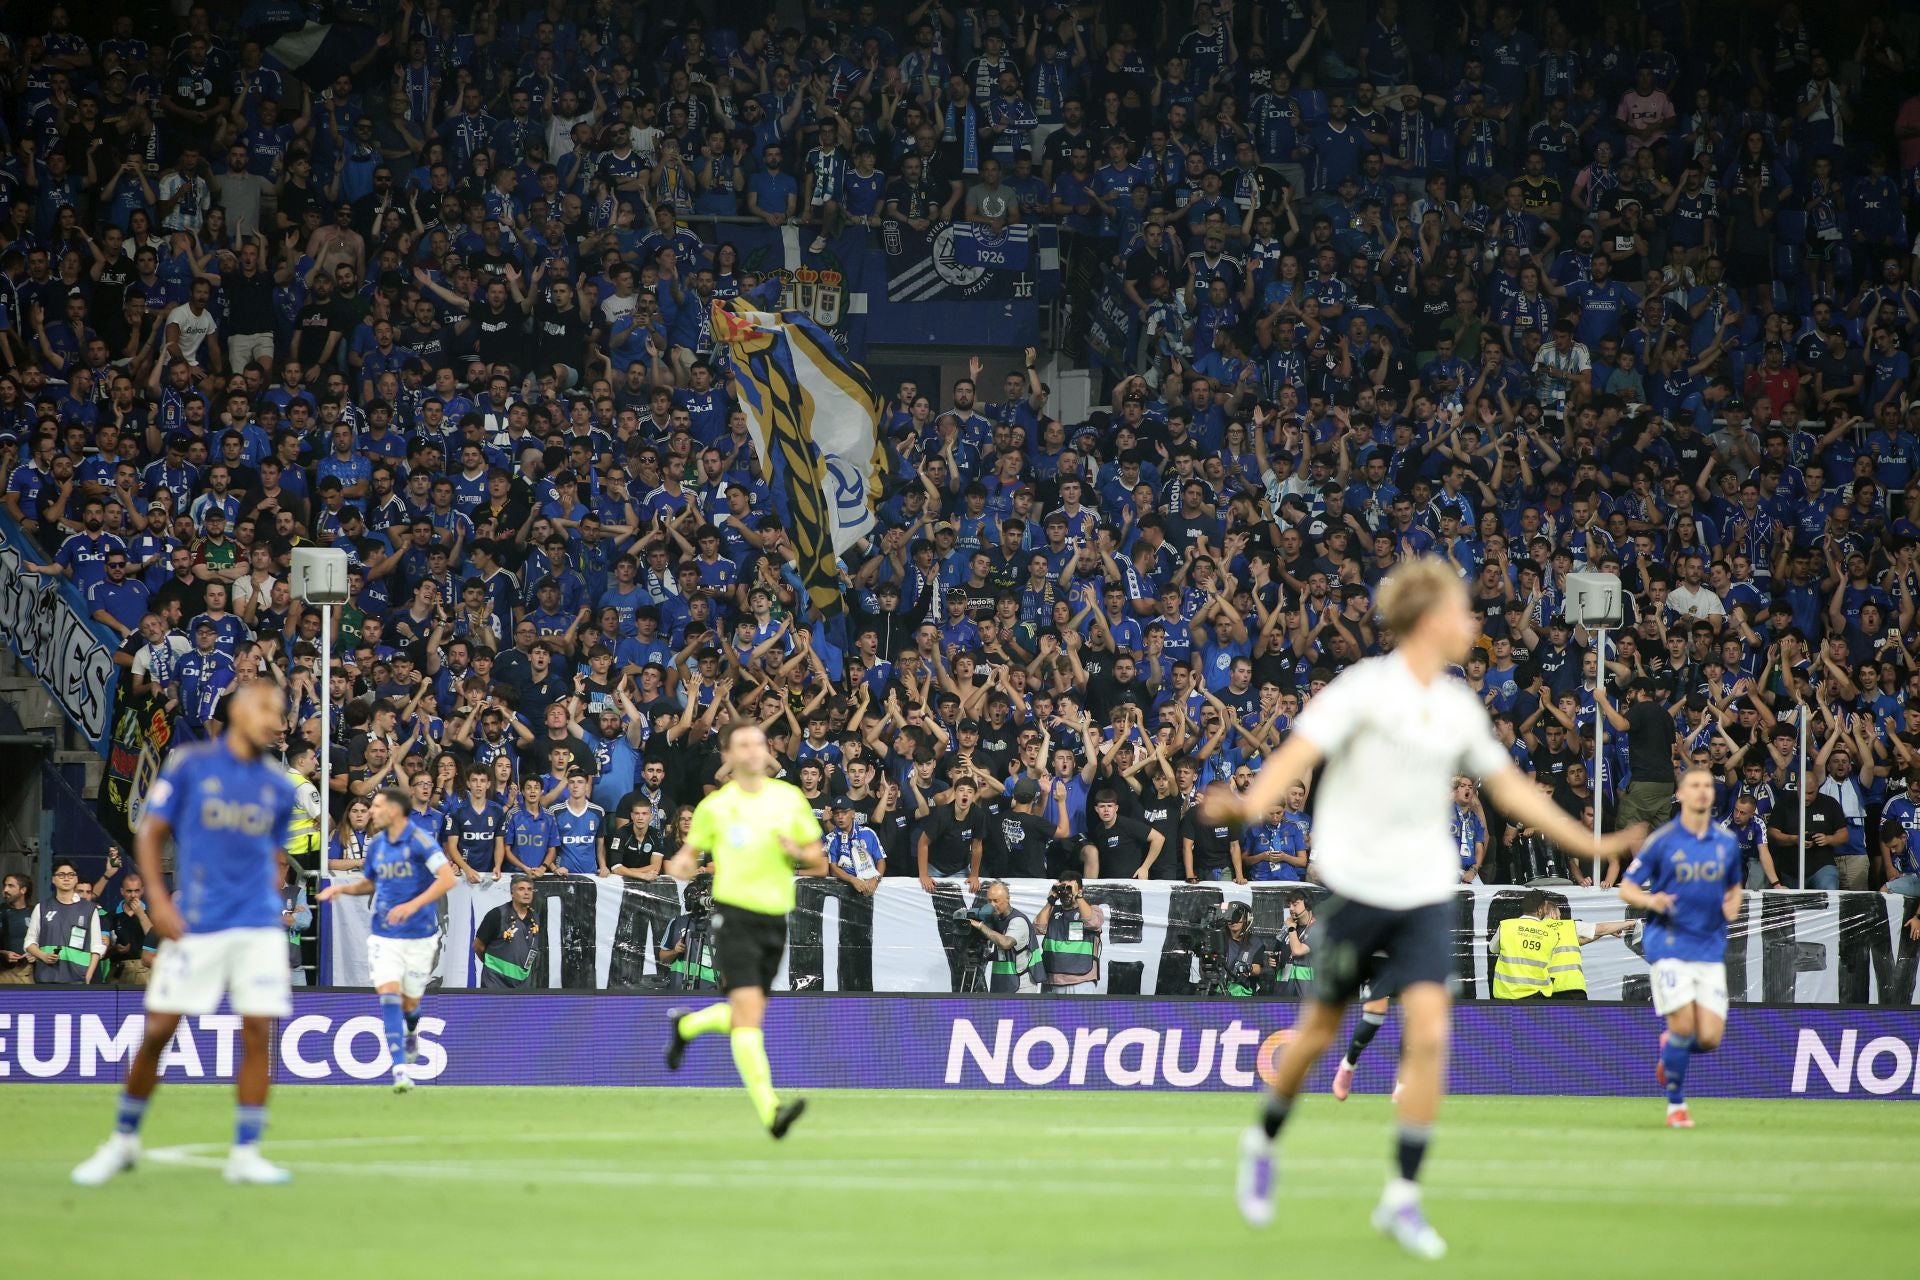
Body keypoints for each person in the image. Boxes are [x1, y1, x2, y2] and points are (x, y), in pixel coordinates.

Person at [1207, 557, 1642, 1257]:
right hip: (1356, 889)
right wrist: (1252, 803)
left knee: (1431, 1032)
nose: (1473, 623)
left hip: (1424, 893)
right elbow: (1298, 754)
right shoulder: (1362, 689)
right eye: (1462, 611)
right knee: (1317, 1034)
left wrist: (1589, 841)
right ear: (1428, 619)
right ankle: (1262, 1142)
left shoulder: (1458, 706)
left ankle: (1402, 1198)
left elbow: (1514, 791)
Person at [70, 680, 298, 1186]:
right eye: (266, 707)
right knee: (157, 1032)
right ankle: (123, 1140)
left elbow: (272, 855)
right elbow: (150, 831)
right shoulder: (191, 765)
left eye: (280, 713)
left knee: (259, 1033)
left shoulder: (279, 787)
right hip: (197, 924)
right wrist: (158, 896)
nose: (276, 719)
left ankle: (246, 1152)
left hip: (258, 926)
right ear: (237, 709)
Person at [661, 723, 825, 1139]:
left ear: (768, 752)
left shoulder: (789, 799)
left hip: (775, 919)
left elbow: (819, 861)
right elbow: (687, 855)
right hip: (732, 917)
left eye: (758, 743)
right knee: (749, 1019)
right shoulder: (716, 807)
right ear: (728, 757)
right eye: (742, 745)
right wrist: (681, 865)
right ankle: (771, 1112)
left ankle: (686, 1027)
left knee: (743, 1014)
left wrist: (797, 852)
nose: (752, 751)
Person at [1618, 768, 1742, 1129]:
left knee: (1710, 1038)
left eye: (1707, 786)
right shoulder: (1663, 841)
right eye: (1695, 786)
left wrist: (1732, 904)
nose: (1702, 792)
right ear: (1681, 795)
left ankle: (1670, 1047)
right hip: (1669, 945)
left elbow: (1734, 887)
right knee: (1684, 1026)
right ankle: (1676, 1106)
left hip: (1709, 947)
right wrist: (1653, 900)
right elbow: (1627, 888)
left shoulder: (1726, 843)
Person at [317, 786, 457, 1092]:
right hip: (384, 935)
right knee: (389, 997)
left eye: (377, 806)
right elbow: (370, 883)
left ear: (393, 811)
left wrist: (412, 905)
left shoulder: (421, 841)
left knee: (410, 1003)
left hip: (419, 935)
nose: (371, 812)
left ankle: (411, 1030)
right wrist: (343, 889)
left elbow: (447, 879)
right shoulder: (378, 844)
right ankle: (399, 1071)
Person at [1489, 889, 1634, 1000]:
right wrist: (1628, 923)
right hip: (1569, 988)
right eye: (1559, 915)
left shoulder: (1523, 928)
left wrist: (1605, 933)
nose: (1560, 919)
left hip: (1542, 992)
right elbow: (1599, 929)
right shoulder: (1566, 927)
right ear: (1552, 914)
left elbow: (1580, 941)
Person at [1032, 869, 1104, 993]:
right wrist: (1051, 900)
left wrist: (1078, 896)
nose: (1067, 893)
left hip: (1081, 980)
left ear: (1080, 890)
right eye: (1064, 889)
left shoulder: (1093, 910)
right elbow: (1037, 928)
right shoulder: (1053, 911)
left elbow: (1092, 922)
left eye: (1070, 889)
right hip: (1051, 980)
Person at [969, 879, 1039, 992]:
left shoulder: (1018, 921)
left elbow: (1006, 943)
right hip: (1004, 982)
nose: (992, 905)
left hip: (1020, 986)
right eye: (989, 900)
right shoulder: (999, 919)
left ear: (1008, 899)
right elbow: (1009, 953)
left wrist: (981, 926)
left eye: (996, 900)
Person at [473, 875, 542, 988]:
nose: (527, 893)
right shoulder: (496, 915)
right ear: (512, 893)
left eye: (529, 889)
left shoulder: (535, 917)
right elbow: (478, 946)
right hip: (495, 983)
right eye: (521, 889)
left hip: (523, 984)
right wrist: (492, 966)